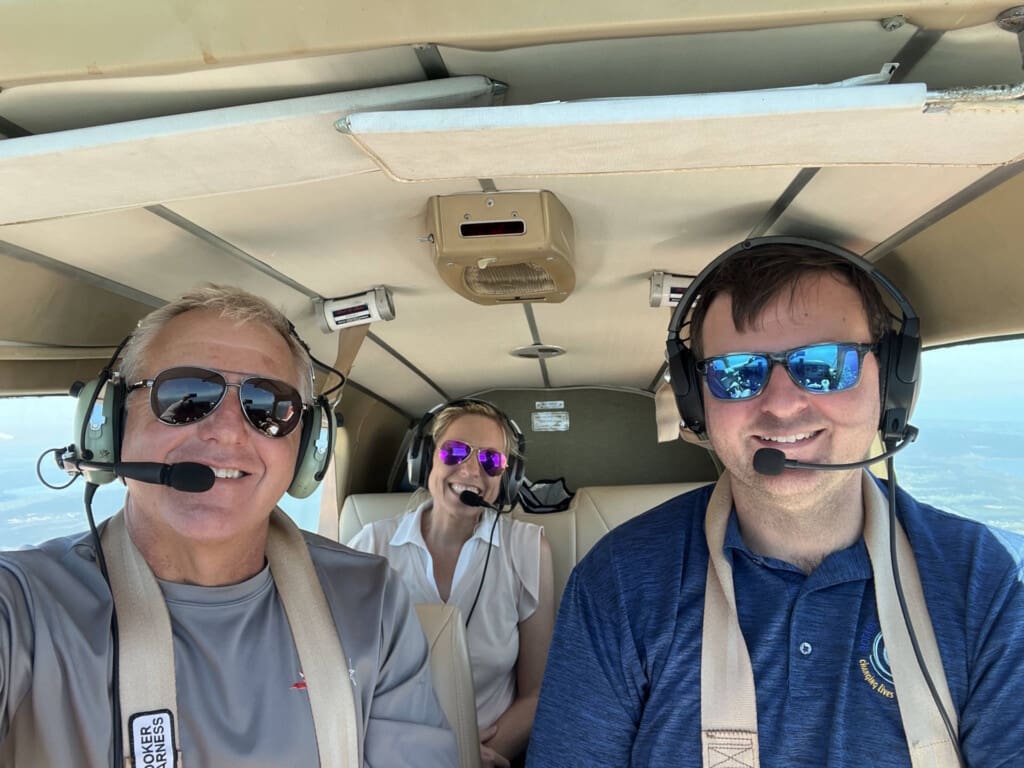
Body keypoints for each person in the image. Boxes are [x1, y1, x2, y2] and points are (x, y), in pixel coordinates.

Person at [528, 238, 1024, 767]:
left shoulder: (985, 580)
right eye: (737, 373)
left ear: (891, 382)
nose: (782, 405)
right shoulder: (619, 581)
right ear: (698, 403)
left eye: (825, 364)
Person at [0, 286, 457, 767]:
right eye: (184, 395)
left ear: (306, 450)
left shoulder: (370, 600)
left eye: (269, 407)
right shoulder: (25, 605)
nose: (227, 431)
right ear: (110, 423)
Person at [349, 399, 555, 768]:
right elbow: (349, 677)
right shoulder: (372, 546)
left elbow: (537, 693)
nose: (471, 470)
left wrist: (467, 758)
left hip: (488, 755)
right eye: (455, 451)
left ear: (507, 477)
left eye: (491, 460)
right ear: (425, 458)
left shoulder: (527, 549)